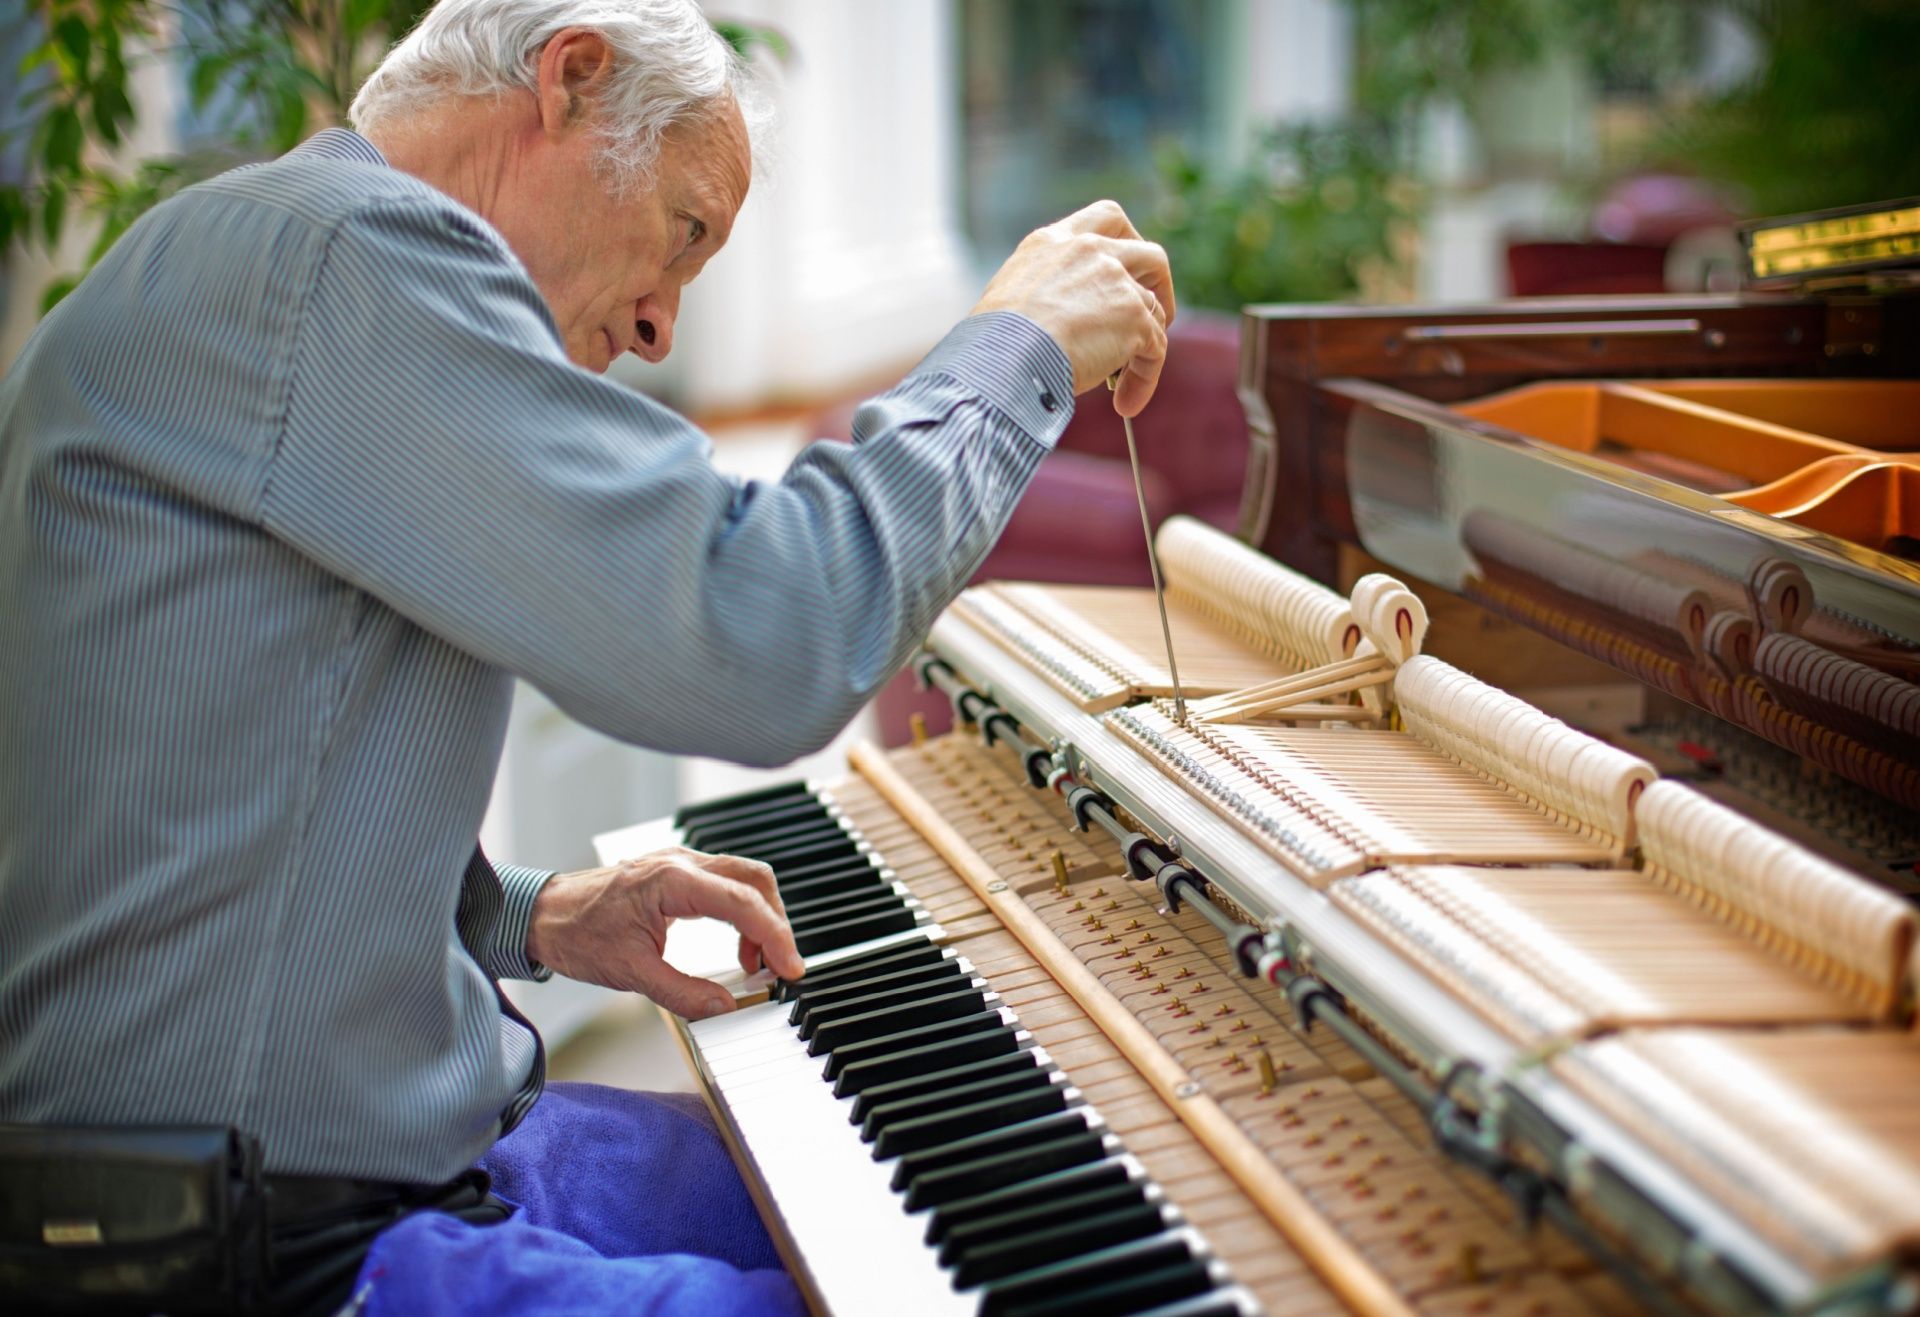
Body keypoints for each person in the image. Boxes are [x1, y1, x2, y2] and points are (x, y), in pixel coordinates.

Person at [0, 0, 1173, 1312]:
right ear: (568, 80)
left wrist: (530, 911)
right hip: (274, 1256)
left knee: (962, 1189)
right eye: (684, 233)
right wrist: (1014, 349)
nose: (665, 326)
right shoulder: (342, 259)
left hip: (362, 1175)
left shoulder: (260, 261)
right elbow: (763, 635)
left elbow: (204, 811)